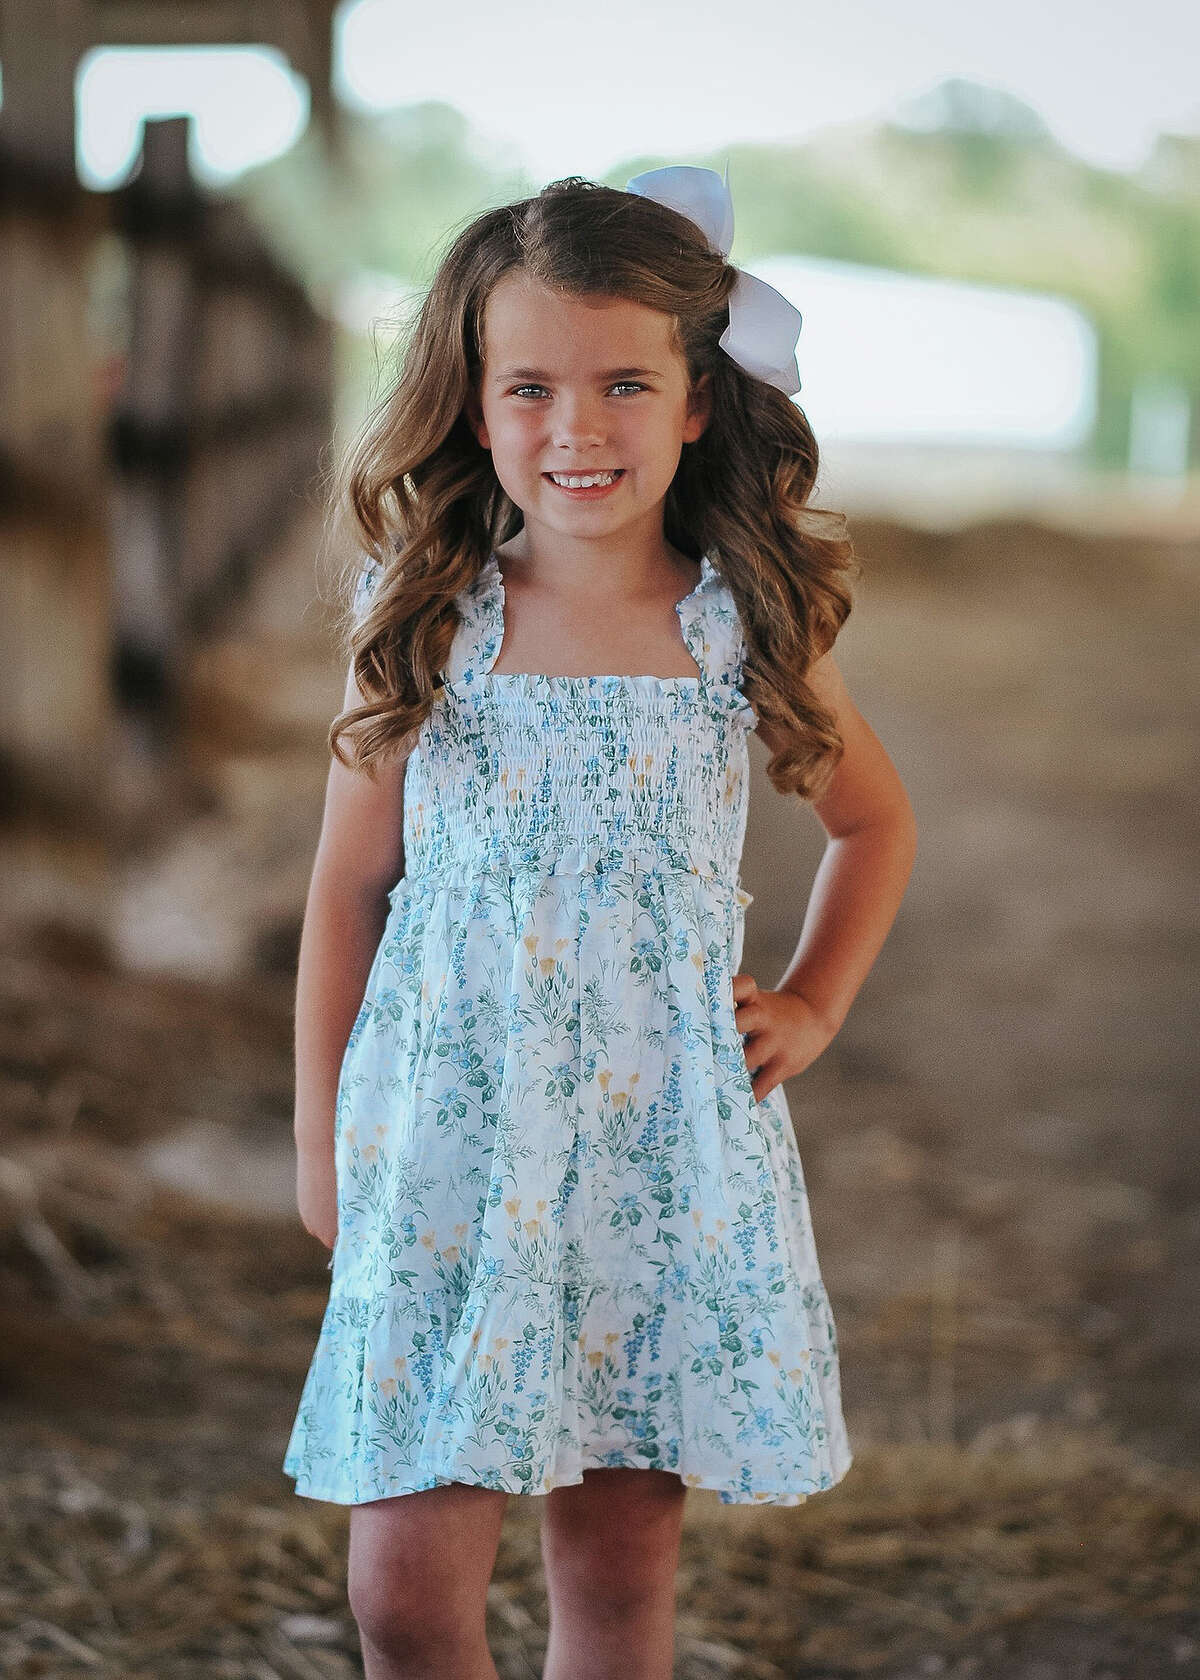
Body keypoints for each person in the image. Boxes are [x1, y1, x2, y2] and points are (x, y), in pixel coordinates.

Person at [283, 165, 918, 1680]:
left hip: (654, 1160)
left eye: (626, 382)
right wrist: (321, 1137)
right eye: (532, 387)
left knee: (619, 1594)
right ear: (474, 402)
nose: (578, 428)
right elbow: (347, 888)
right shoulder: (430, 614)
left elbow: (872, 821)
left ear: (699, 399)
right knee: (402, 1598)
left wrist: (814, 1003)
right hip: (444, 1150)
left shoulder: (734, 624)